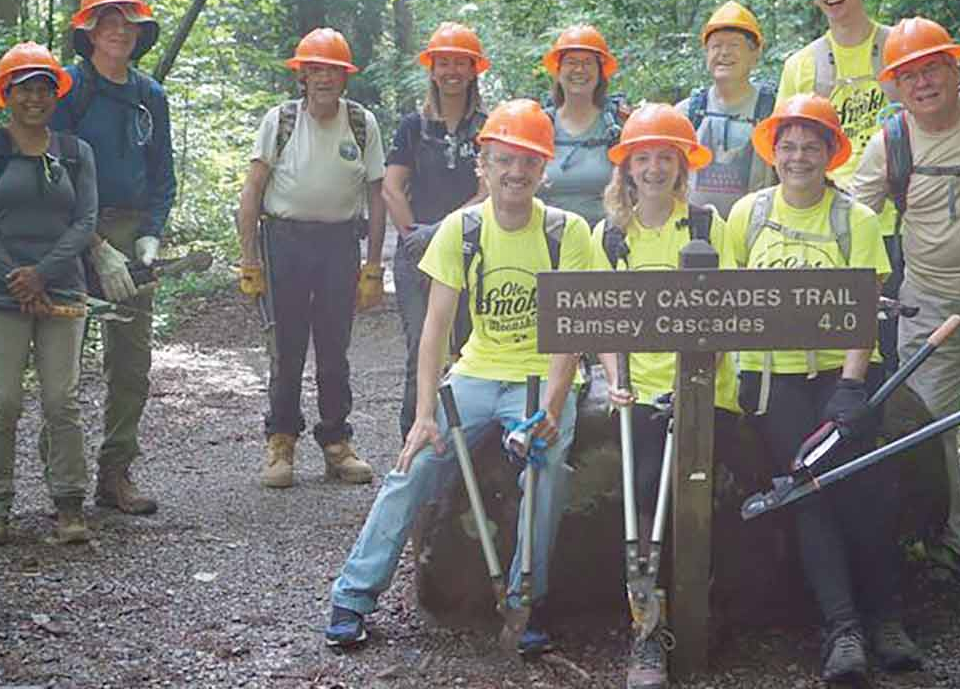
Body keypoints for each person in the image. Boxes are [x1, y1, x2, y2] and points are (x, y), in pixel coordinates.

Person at [325, 99, 592, 655]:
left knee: (546, 472)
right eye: (503, 161)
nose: (515, 173)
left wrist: (552, 410)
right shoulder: (461, 229)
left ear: (543, 171)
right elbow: (434, 330)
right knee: (412, 466)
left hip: (540, 378)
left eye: (527, 162)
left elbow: (573, 333)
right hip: (476, 373)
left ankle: (524, 601)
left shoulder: (569, 233)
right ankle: (352, 596)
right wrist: (424, 415)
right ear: (483, 166)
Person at [727, 95, 922, 682]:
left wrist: (853, 386)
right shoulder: (748, 215)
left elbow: (865, 304)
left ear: (831, 153)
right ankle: (843, 630)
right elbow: (733, 298)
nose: (799, 156)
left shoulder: (854, 219)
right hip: (777, 378)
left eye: (812, 145)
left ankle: (886, 617)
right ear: (773, 153)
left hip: (844, 375)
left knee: (862, 491)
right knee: (807, 493)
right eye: (787, 145)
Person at [849, 17, 960, 580]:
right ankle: (948, 536)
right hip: (925, 306)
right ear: (895, 87)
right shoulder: (891, 143)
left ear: (956, 67)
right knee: (930, 427)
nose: (922, 82)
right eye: (908, 75)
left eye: (932, 68)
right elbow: (848, 214)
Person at [592, 103, 741, 689]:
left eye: (665, 158)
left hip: (703, 392)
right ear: (626, 168)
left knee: (710, 495)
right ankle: (647, 630)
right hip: (641, 393)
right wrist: (614, 377)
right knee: (643, 496)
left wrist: (695, 385)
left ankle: (707, 611)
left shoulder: (707, 223)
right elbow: (600, 319)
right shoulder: (608, 234)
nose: (653, 169)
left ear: (682, 166)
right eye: (643, 158)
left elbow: (731, 314)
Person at [0, 42, 98, 544]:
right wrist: (15, 274)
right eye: (24, 89)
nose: (35, 97)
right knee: (4, 400)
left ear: (55, 95)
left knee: (62, 400)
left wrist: (43, 273)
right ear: (6, 95)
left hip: (63, 290)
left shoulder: (76, 153)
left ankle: (69, 503)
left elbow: (84, 221)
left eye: (44, 88)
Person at [237, 27, 386, 489]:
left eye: (333, 71)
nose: (324, 78)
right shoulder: (280, 121)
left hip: (340, 243)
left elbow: (378, 197)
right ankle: (281, 441)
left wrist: (373, 265)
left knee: (333, 349)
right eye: (315, 69)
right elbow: (253, 190)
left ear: (345, 78)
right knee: (286, 348)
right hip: (284, 241)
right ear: (302, 76)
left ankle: (336, 443)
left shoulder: (361, 124)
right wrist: (249, 260)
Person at [50, 0, 174, 515]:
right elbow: (49, 170)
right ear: (90, 31)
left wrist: (151, 232)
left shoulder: (150, 96)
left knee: (130, 363)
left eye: (127, 22)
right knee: (62, 362)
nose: (118, 31)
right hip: (68, 233)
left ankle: (115, 472)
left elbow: (162, 174)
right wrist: (92, 243)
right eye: (108, 22)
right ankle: (64, 482)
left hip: (130, 230)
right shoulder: (66, 91)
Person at [776, 0, 903, 374]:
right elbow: (782, 152)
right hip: (826, 225)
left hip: (895, 223)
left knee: (887, 348)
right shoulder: (801, 65)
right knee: (828, 346)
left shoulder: (898, 48)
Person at [382, 22, 489, 440]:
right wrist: (413, 234)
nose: (451, 71)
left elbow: (488, 191)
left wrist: (440, 232)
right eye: (443, 62)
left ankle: (469, 444)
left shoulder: (487, 124)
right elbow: (391, 186)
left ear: (473, 69)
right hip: (416, 253)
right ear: (431, 69)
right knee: (420, 350)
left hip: (473, 250)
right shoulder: (414, 125)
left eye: (460, 63)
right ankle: (415, 441)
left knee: (470, 349)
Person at [676, 1, 778, 217]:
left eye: (734, 45)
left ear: (755, 53)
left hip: (755, 230)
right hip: (693, 237)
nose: (723, 53)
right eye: (716, 46)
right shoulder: (686, 114)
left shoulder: (774, 112)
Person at [538, 24, 628, 229]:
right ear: (558, 71)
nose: (579, 69)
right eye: (571, 62)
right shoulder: (539, 125)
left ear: (600, 72)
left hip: (604, 243)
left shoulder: (617, 126)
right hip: (547, 244)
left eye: (588, 63)